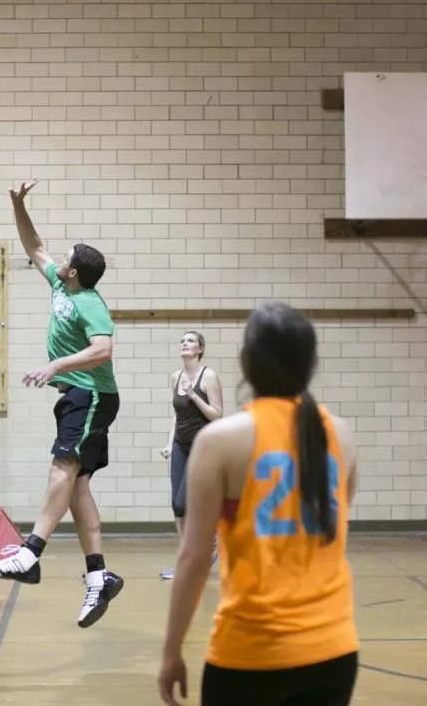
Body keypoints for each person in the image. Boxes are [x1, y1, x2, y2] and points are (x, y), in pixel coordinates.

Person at [158, 301, 360, 706]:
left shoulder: (221, 441)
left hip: (251, 651)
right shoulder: (341, 435)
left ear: (247, 364)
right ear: (311, 363)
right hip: (334, 649)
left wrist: (171, 650)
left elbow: (194, 558)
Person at [0, 179, 123, 629]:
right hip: (79, 397)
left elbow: (103, 349)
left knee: (62, 467)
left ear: (75, 272)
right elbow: (34, 244)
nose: (61, 259)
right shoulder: (60, 283)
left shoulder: (88, 302)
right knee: (77, 487)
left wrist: (56, 365)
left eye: (69, 259)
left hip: (92, 395)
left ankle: (30, 553)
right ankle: (99, 575)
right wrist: (19, 204)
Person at [159, 330, 223, 580]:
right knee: (177, 504)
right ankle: (190, 558)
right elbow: (177, 414)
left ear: (200, 349)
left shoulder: (209, 376)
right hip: (179, 444)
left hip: (202, 445)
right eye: (183, 341)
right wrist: (168, 442)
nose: (185, 344)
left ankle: (204, 549)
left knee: (186, 502)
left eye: (191, 341)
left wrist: (194, 395)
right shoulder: (175, 376)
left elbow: (217, 414)